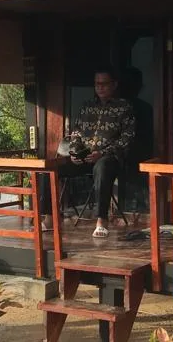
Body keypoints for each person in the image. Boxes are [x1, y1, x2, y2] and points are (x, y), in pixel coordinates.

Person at [41, 66, 136, 238]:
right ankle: (49, 218)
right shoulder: (86, 107)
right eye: (97, 84)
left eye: (104, 84)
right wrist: (74, 152)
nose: (100, 87)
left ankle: (101, 220)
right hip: (85, 157)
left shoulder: (124, 107)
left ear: (114, 84)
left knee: (102, 167)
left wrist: (103, 153)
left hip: (110, 158)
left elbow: (126, 139)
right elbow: (76, 133)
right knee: (50, 169)